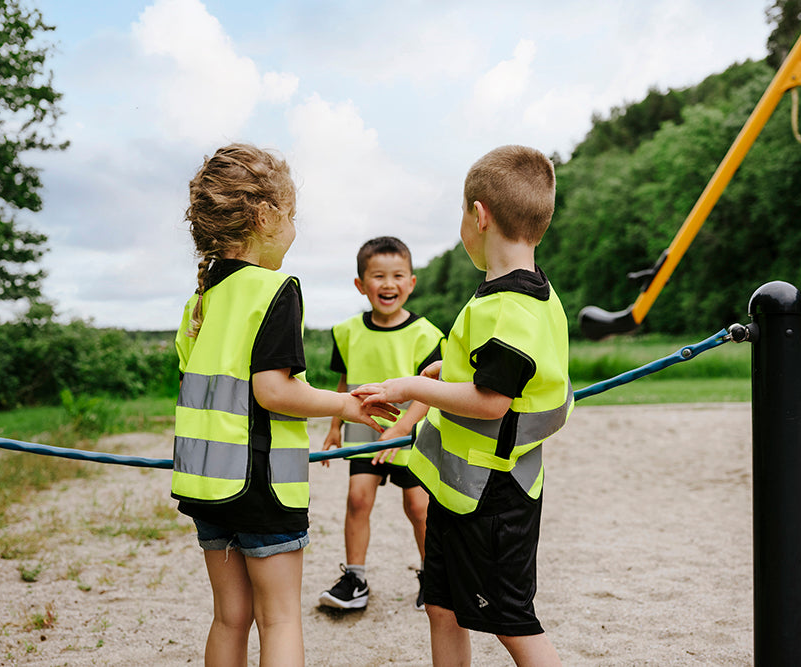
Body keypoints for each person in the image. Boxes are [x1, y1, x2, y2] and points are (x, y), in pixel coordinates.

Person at [171, 143, 397, 667]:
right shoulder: (275, 289)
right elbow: (272, 391)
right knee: (280, 619)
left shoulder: (199, 300)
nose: (294, 227)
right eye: (291, 215)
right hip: (262, 485)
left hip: (208, 484)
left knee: (229, 617)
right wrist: (346, 406)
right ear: (266, 216)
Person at [353, 145, 572, 666]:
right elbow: (492, 374)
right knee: (441, 607)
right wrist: (442, 374)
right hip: (458, 492)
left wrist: (411, 387)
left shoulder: (511, 309)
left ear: (479, 215)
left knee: (513, 623)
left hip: (495, 496)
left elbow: (492, 401)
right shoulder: (505, 296)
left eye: (460, 213)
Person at [318, 237, 444, 612]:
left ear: (411, 283)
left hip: (412, 432)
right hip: (364, 431)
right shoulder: (346, 332)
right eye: (378, 276)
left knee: (418, 507)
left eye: (397, 275)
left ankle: (432, 575)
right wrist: (334, 427)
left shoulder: (428, 334)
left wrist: (402, 428)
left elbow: (431, 391)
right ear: (361, 285)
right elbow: (343, 384)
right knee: (358, 500)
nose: (388, 284)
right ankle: (355, 578)